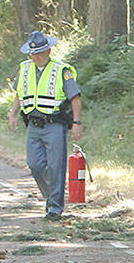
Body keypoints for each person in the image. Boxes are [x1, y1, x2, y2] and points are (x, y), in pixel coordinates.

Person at [8, 31, 82, 219]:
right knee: (34, 164)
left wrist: (77, 122)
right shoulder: (24, 69)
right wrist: (12, 114)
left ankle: (55, 208)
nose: (36, 56)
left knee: (56, 166)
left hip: (54, 124)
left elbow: (75, 97)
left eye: (40, 52)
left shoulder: (61, 70)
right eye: (33, 53)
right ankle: (51, 196)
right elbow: (19, 94)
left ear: (48, 51)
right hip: (33, 125)